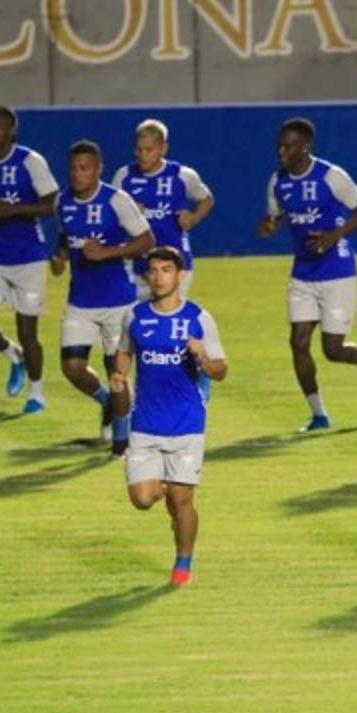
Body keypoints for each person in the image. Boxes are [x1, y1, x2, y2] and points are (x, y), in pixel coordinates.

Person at [256, 118, 357, 431]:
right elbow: (275, 217)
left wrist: (334, 235)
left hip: (337, 271)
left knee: (332, 350)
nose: (282, 151)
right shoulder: (278, 182)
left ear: (306, 147)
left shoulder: (330, 175)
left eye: (289, 146)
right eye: (280, 145)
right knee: (298, 342)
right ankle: (319, 415)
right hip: (303, 272)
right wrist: (269, 226)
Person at [110, 246, 227, 587]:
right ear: (147, 276)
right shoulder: (134, 317)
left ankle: (183, 563)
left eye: (166, 270)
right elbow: (124, 352)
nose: (159, 277)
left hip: (187, 423)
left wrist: (202, 358)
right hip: (146, 424)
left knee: (181, 499)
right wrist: (119, 375)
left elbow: (221, 370)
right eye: (153, 271)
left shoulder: (198, 318)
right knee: (142, 499)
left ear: (179, 275)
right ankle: (162, 481)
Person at [52, 140, 154, 448]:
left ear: (98, 170)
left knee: (117, 374)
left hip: (118, 302)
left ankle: (121, 441)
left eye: (84, 168)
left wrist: (107, 252)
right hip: (80, 301)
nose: (77, 174)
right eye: (73, 168)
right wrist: (60, 257)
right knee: (72, 367)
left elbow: (147, 241)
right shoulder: (62, 202)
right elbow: (66, 237)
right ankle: (107, 402)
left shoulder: (117, 201)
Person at [0, 106, 59, 413]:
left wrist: (15, 210)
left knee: (28, 331)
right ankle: (13, 355)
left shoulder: (30, 161)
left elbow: (54, 204)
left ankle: (37, 394)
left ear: (11, 132)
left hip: (28, 257)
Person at [110, 118, 214, 302]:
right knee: (133, 316)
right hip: (137, 262)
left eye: (149, 150)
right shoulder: (124, 176)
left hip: (176, 262)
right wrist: (129, 214)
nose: (142, 155)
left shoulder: (182, 175)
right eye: (138, 149)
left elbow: (206, 199)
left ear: (163, 149)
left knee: (167, 315)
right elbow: (110, 216)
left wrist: (193, 218)